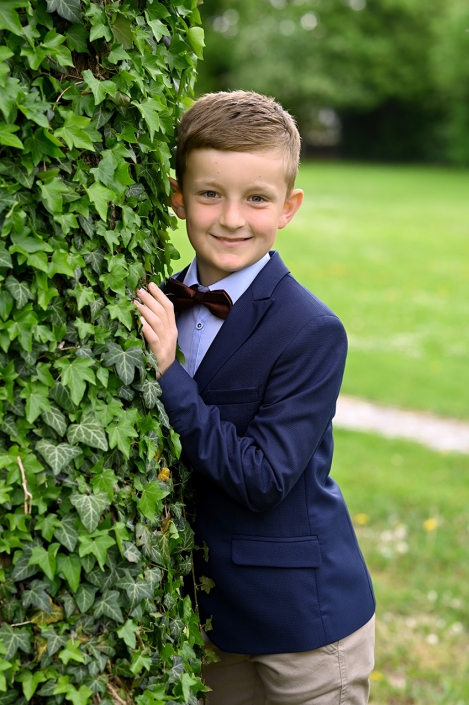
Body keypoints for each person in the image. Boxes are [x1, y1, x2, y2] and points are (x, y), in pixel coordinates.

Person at [134, 90, 375, 705]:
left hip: (304, 624)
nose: (232, 218)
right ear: (177, 197)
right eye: (210, 194)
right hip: (211, 615)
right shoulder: (157, 306)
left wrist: (169, 374)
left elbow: (264, 477)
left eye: (257, 199)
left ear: (289, 207)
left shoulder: (310, 330)